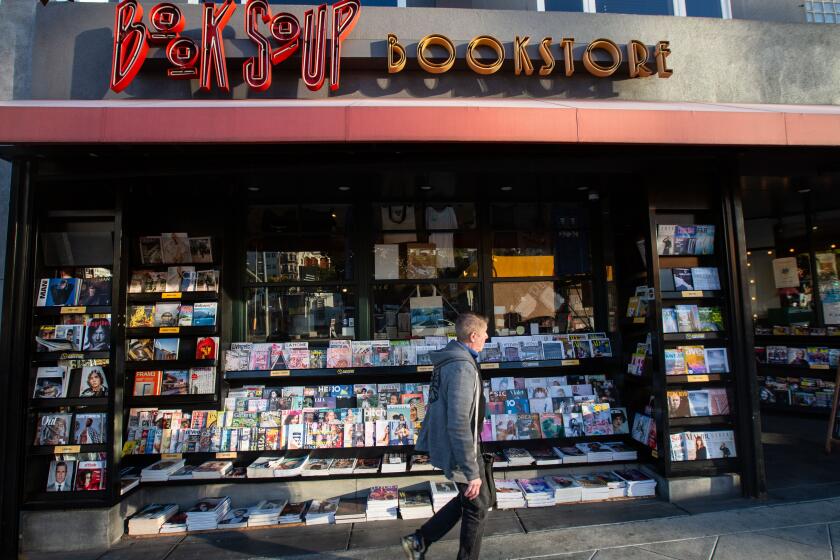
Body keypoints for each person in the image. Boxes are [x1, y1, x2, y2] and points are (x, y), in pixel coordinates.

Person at [405, 312, 490, 560]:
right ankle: (422, 541)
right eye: (484, 332)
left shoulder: (453, 360)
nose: (487, 336)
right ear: (473, 335)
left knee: (479, 500)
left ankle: (419, 540)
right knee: (476, 506)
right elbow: (459, 422)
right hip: (462, 448)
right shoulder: (462, 366)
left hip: (465, 443)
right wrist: (470, 469)